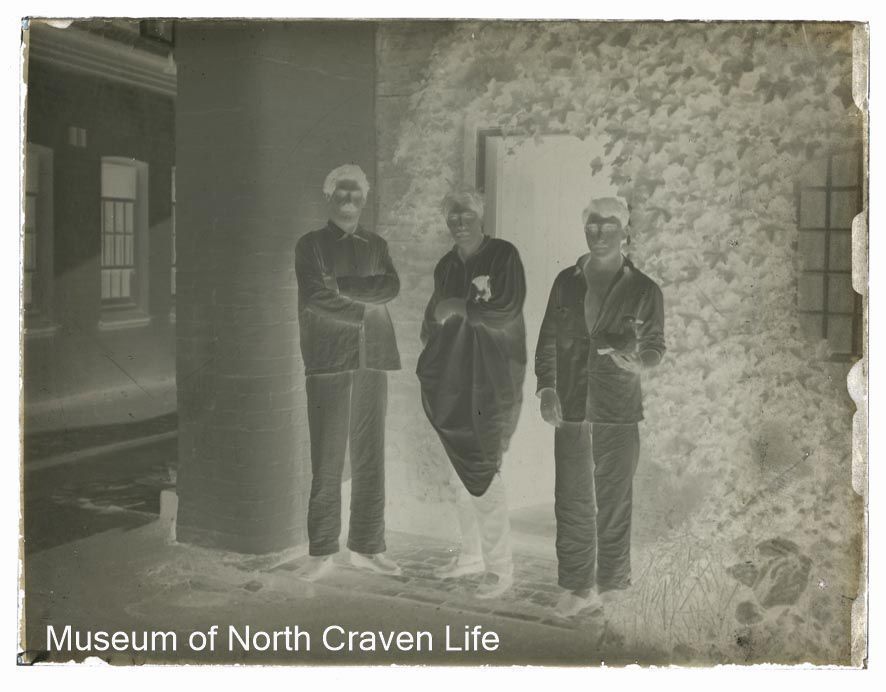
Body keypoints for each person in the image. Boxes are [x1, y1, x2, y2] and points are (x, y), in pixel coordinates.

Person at [535, 196, 665, 617]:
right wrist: (547, 390)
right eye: (592, 227)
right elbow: (548, 341)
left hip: (618, 409)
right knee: (571, 499)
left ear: (624, 231)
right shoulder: (566, 282)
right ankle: (576, 585)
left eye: (609, 227)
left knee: (613, 500)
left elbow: (655, 346)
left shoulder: (643, 289)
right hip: (570, 408)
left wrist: (640, 361)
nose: (600, 235)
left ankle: (612, 586)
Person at [417, 187, 527, 600]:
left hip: (491, 375)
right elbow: (431, 320)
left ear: (481, 216)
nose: (460, 223)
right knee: (458, 466)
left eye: (467, 215)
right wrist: (439, 334)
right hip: (455, 376)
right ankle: (471, 554)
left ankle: (500, 567)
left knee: (482, 466)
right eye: (453, 217)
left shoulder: (502, 255)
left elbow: (506, 310)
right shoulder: (446, 265)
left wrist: (461, 308)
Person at [294, 164, 402, 581]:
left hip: (372, 358)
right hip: (327, 360)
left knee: (370, 453)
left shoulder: (377, 244)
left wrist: (340, 284)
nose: (349, 199)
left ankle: (367, 547)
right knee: (326, 455)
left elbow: (390, 286)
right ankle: (321, 549)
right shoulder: (311, 245)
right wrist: (362, 309)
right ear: (329, 196)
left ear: (364, 198)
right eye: (342, 192)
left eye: (356, 193)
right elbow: (314, 297)